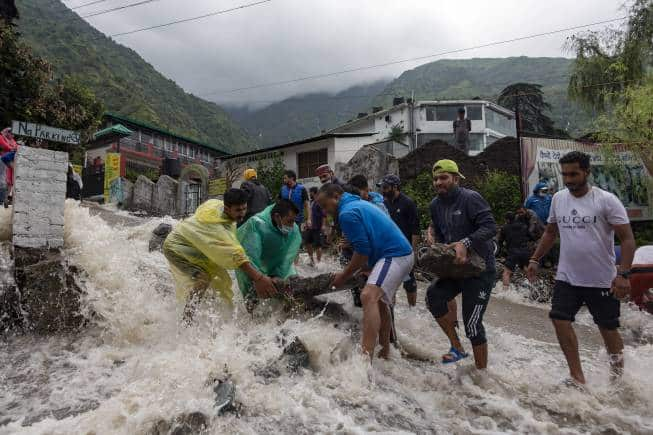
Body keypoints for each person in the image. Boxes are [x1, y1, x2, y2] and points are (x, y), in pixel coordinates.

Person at [526, 151, 635, 385]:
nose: (569, 179)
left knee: (608, 329)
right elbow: (551, 232)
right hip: (568, 276)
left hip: (601, 279)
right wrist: (535, 259)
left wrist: (624, 274)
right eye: (565, 174)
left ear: (587, 172)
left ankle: (617, 382)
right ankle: (577, 377)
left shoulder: (606, 200)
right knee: (559, 318)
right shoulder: (558, 199)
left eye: (574, 174)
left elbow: (627, 239)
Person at [318, 183, 413, 360]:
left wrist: (343, 276)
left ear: (337, 197)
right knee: (380, 301)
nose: (325, 211)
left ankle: (365, 358)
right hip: (397, 255)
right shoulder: (358, 204)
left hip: (395, 255)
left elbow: (362, 252)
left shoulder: (347, 213)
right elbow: (369, 244)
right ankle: (385, 353)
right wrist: (367, 268)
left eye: (325, 205)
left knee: (368, 296)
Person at [163, 188, 278, 321]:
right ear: (227, 208)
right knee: (204, 279)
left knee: (216, 281)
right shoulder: (216, 228)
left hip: (193, 245)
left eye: (244, 208)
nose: (242, 214)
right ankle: (187, 319)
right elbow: (235, 256)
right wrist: (259, 278)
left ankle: (209, 315)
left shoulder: (215, 205)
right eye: (238, 210)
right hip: (176, 248)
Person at [426, 159, 497, 368]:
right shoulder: (435, 205)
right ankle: (457, 347)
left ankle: (481, 377)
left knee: (473, 325)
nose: (439, 182)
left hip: (480, 269)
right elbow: (440, 234)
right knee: (433, 296)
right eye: (436, 179)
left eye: (444, 178)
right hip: (455, 268)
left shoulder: (471, 198)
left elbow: (490, 227)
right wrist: (436, 247)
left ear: (455, 179)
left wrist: (465, 242)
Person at [236, 199, 302, 306]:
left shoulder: (293, 229)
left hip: (277, 264)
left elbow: (288, 257)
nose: (292, 225)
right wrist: (258, 278)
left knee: (293, 287)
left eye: (294, 221)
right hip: (250, 266)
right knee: (252, 300)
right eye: (289, 221)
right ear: (277, 217)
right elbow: (249, 257)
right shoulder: (256, 225)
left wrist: (277, 275)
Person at [378, 174, 420, 307]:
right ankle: (391, 311)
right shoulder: (383, 204)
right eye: (382, 187)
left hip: (406, 251)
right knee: (389, 282)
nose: (382, 190)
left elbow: (415, 230)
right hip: (389, 251)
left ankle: (412, 310)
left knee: (409, 283)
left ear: (395, 187)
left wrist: (413, 252)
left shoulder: (408, 203)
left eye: (385, 187)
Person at [498, 211, 532, 290]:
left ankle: (505, 293)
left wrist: (502, 251)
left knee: (506, 273)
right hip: (525, 251)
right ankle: (534, 289)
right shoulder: (523, 226)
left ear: (507, 220)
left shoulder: (504, 228)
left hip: (513, 252)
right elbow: (531, 237)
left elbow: (500, 242)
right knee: (526, 269)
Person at [304, 187, 326, 265]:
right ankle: (312, 261)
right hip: (310, 227)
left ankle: (319, 262)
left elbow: (324, 215)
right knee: (307, 242)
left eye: (310, 192)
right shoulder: (312, 202)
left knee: (318, 245)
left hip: (318, 227)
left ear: (314, 193)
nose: (309, 194)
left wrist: (323, 225)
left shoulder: (319, 202)